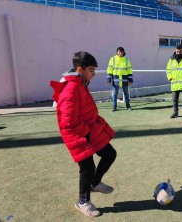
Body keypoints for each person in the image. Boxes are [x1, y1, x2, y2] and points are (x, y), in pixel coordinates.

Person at [50, 51, 117, 217]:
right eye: (91, 70)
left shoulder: (80, 83)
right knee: (87, 167)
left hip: (87, 130)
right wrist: (86, 132)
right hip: (76, 134)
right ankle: (82, 202)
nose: (93, 74)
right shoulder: (71, 87)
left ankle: (94, 183)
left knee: (109, 153)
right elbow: (68, 121)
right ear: (80, 70)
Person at [107, 47, 133, 111]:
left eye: (122, 51)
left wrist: (130, 80)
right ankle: (114, 106)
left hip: (124, 80)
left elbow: (129, 70)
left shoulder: (126, 60)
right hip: (115, 79)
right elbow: (110, 69)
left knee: (126, 93)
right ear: (117, 52)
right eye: (119, 51)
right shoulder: (112, 59)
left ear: (123, 52)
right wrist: (109, 78)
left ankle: (128, 106)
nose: (120, 53)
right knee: (115, 93)